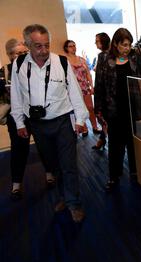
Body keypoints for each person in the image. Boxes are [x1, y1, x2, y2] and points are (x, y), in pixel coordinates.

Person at [10, 24, 89, 222]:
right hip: (37, 125)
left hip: (63, 122)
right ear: (28, 44)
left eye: (47, 45)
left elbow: (75, 92)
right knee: (53, 166)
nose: (44, 51)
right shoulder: (19, 65)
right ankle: (63, 196)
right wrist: (19, 122)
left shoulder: (60, 63)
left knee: (68, 164)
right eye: (38, 46)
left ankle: (74, 203)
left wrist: (80, 118)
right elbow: (16, 96)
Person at [95, 28, 141, 191]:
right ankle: (114, 175)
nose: (128, 48)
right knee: (116, 144)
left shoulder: (136, 57)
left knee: (133, 142)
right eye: (124, 44)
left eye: (130, 44)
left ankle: (135, 172)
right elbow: (99, 84)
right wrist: (98, 108)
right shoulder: (104, 58)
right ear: (116, 44)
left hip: (133, 106)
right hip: (113, 107)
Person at [1, 38, 55, 200]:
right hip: (17, 118)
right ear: (9, 55)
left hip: (37, 116)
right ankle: (16, 184)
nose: (22, 55)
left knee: (44, 146)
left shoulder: (33, 67)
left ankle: (50, 174)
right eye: (18, 53)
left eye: (24, 52)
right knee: (19, 150)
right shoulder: (3, 72)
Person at [64, 40, 99, 137]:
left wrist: (91, 86)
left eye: (74, 45)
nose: (73, 48)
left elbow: (88, 74)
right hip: (73, 90)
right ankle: (84, 129)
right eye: (70, 46)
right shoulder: (65, 61)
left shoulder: (82, 60)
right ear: (66, 48)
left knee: (90, 108)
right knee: (79, 109)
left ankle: (95, 126)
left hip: (84, 87)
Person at [92, 32, 110, 150]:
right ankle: (102, 139)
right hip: (104, 91)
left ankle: (103, 140)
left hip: (105, 93)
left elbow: (101, 77)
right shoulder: (102, 55)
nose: (95, 43)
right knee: (105, 119)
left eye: (97, 41)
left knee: (105, 118)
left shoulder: (103, 55)